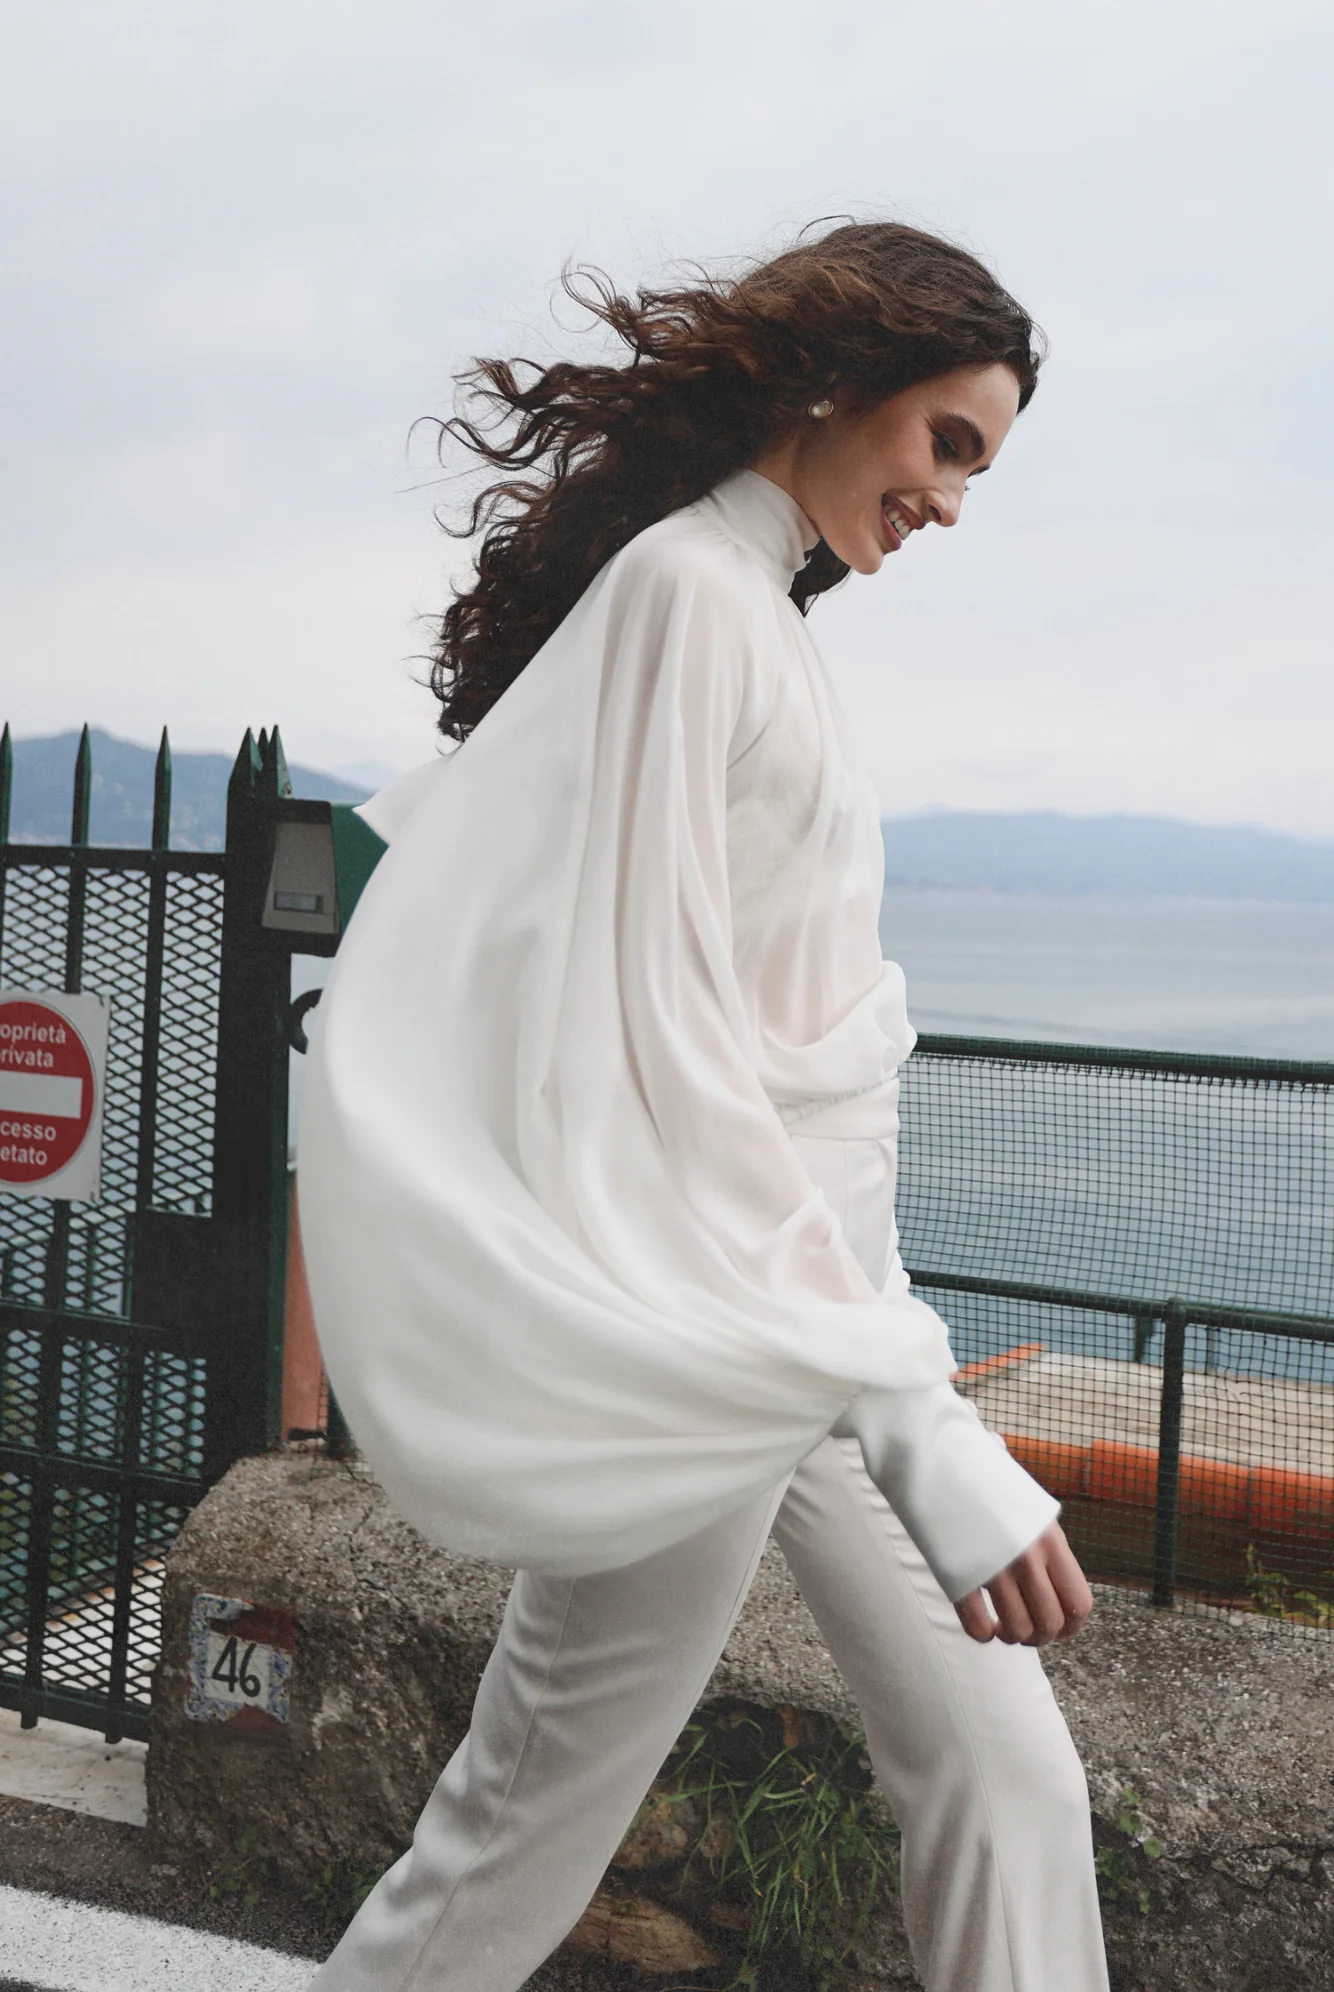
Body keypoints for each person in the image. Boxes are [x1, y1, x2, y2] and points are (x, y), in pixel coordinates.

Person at [298, 221, 1110, 1992]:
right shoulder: (685, 593)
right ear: (840, 383)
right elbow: (668, 1035)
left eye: (981, 466)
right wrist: (913, 1415)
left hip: (826, 1326)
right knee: (518, 1837)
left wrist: (888, 1371)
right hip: (733, 1322)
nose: (956, 504)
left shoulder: (755, 617)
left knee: (1012, 1786)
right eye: (946, 444)